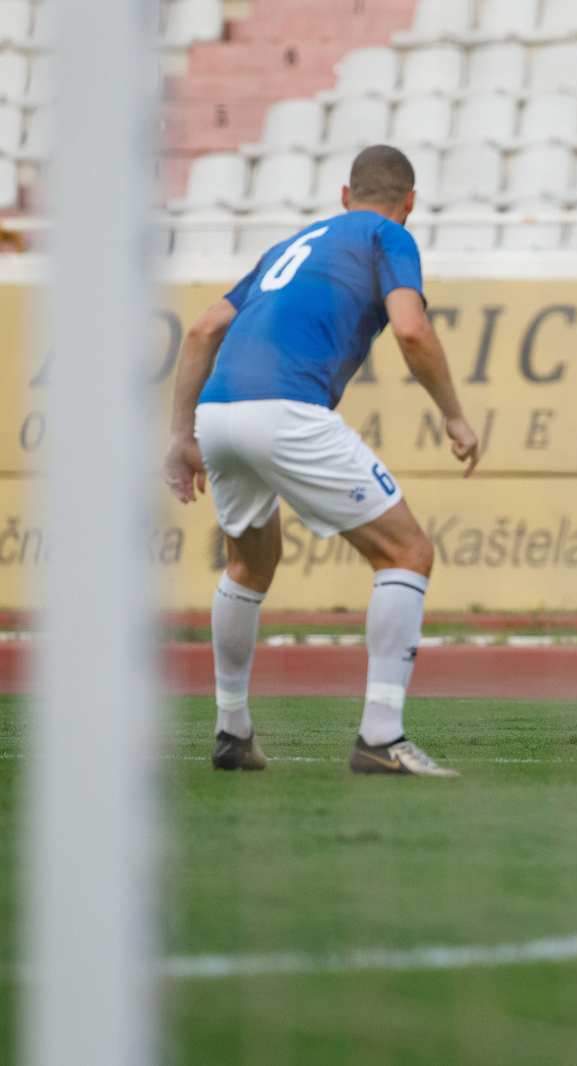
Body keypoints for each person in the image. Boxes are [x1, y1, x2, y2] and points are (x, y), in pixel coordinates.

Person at [162, 145, 480, 777]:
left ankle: (232, 729)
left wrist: (181, 435)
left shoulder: (289, 246)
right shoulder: (388, 235)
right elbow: (412, 329)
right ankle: (381, 736)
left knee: (250, 564)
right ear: (409, 202)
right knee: (407, 553)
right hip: (287, 411)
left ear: (343, 195)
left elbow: (201, 331)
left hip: (219, 413)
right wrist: (452, 413)